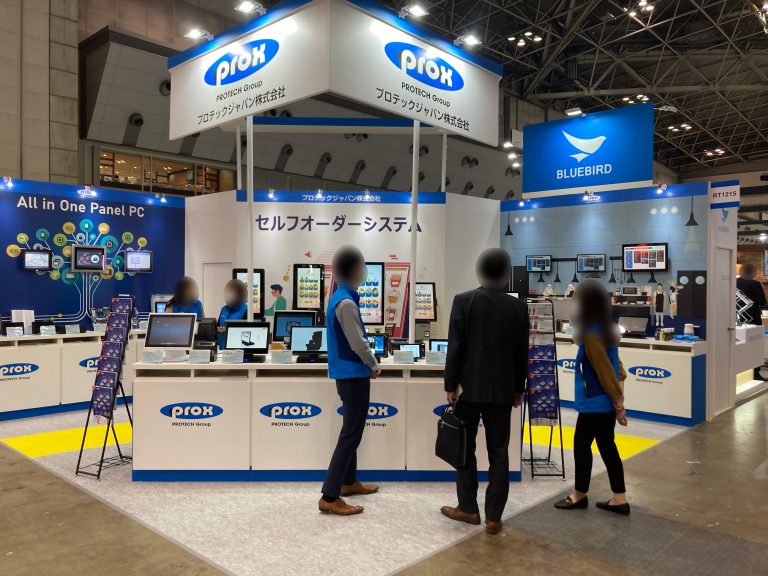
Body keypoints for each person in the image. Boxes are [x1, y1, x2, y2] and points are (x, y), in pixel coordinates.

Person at [440, 248, 529, 535]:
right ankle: (494, 517)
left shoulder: (464, 300)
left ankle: (468, 507)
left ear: (479, 272)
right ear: (506, 274)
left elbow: (455, 347)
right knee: (499, 452)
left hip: (468, 389)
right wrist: (519, 388)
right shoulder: (518, 307)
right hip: (502, 391)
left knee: (464, 448)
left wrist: (450, 384)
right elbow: (521, 354)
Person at [555, 280, 630, 515]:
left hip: (595, 403)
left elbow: (605, 371)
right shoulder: (606, 330)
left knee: (582, 445)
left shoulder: (592, 336)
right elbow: (618, 368)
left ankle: (580, 494)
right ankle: (619, 498)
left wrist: (619, 404)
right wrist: (617, 401)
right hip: (603, 403)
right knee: (606, 446)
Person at [319, 246, 380, 516]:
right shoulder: (346, 303)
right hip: (353, 375)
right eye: (362, 266)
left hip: (347, 374)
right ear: (354, 269)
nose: (364, 271)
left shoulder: (341, 297)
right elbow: (358, 342)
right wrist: (373, 364)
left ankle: (348, 481)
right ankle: (329, 496)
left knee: (351, 431)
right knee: (350, 435)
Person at [217, 279, 248, 349]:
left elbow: (246, 331)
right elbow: (218, 326)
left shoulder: (246, 309)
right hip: (222, 349)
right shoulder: (224, 309)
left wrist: (227, 329)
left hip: (237, 349)